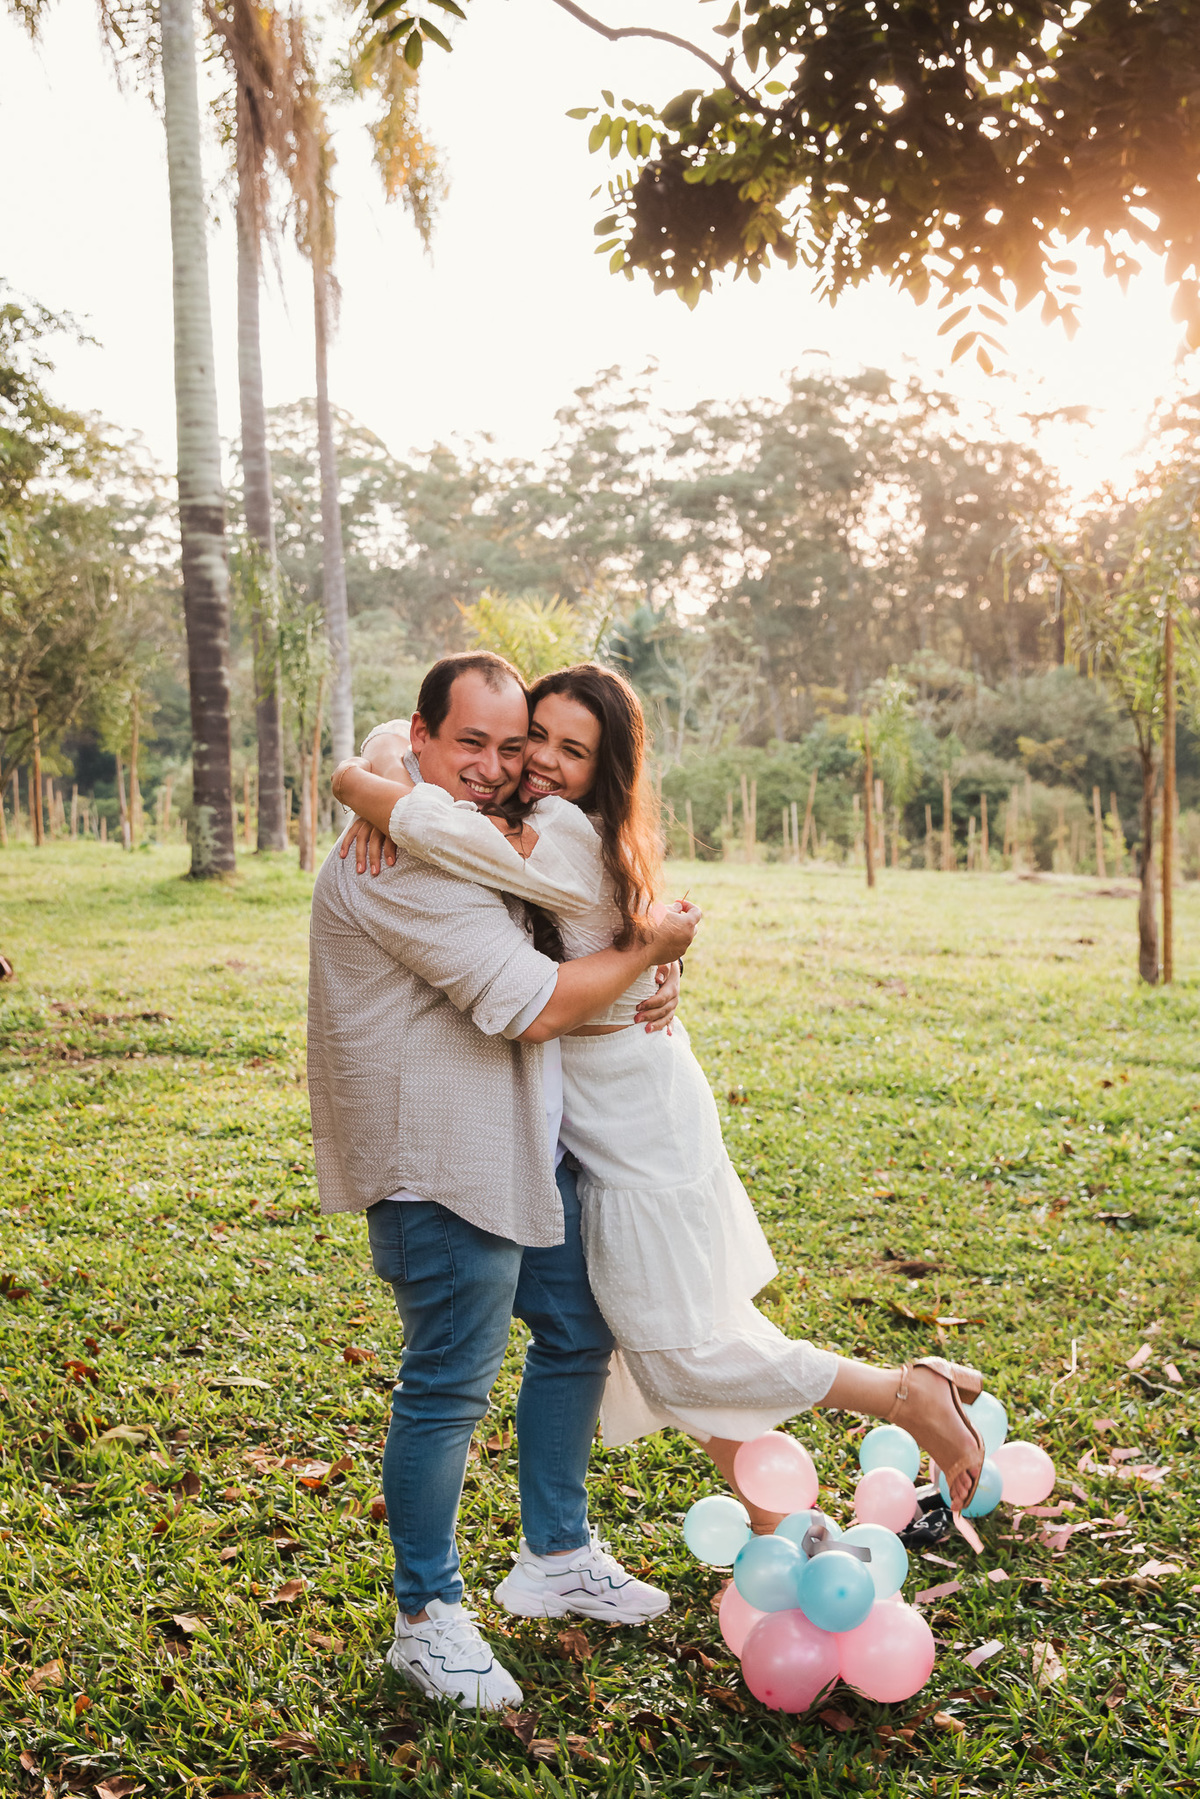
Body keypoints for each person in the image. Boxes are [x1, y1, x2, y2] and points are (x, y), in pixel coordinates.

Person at [334, 663, 987, 1534]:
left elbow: (434, 830)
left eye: (574, 750)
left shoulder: (560, 831)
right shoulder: (542, 818)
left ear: (603, 770)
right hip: (609, 1111)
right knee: (673, 1326)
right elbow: (421, 747)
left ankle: (907, 1393)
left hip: (635, 1123)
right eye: (537, 738)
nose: (537, 763)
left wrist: (349, 781)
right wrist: (384, 751)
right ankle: (777, 1515)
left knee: (674, 1349)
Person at [307, 651, 700, 1713]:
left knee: (576, 1328)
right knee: (448, 1381)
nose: (492, 765)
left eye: (509, 742)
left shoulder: (461, 830)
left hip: (525, 1143)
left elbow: (573, 912)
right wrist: (650, 949)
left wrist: (658, 961)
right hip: (436, 1159)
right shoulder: (402, 862)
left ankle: (556, 1553)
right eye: (465, 743)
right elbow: (530, 1002)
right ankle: (426, 1615)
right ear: (425, 738)